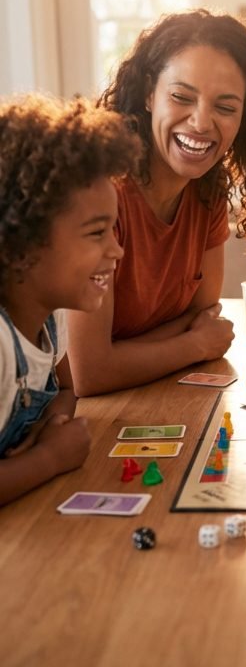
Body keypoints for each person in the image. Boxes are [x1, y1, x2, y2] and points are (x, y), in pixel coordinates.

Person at [67, 9, 246, 396]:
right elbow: (89, 373)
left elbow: (203, 315)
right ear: (150, 94)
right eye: (182, 97)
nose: (201, 123)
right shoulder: (99, 193)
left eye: (225, 107)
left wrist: (129, 353)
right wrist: (193, 344)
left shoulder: (208, 192)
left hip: (158, 395)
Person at [0, 95, 137, 506]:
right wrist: (49, 457)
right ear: (21, 244)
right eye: (97, 233)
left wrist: (54, 421)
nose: (117, 251)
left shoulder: (51, 317)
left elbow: (67, 387)